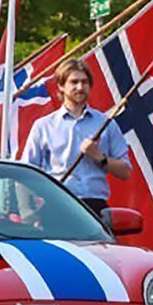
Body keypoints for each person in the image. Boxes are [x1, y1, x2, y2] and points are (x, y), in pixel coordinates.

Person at [21, 58, 131, 215]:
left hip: (95, 207)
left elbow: (125, 171)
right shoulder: (43, 126)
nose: (80, 87)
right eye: (74, 82)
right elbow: (27, 173)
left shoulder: (106, 123)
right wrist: (29, 212)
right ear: (61, 86)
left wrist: (99, 157)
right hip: (58, 203)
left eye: (84, 82)